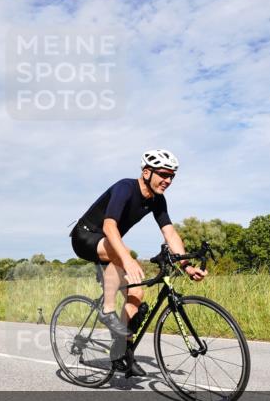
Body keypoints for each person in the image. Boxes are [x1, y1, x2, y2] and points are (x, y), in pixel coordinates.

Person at [70, 149, 206, 376]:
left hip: (110, 245)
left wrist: (186, 266)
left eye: (172, 176)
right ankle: (107, 311)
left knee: (137, 297)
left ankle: (121, 352)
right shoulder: (125, 188)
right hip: (85, 237)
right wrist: (127, 259)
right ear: (146, 172)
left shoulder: (157, 200)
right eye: (163, 174)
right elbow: (109, 227)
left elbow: (170, 233)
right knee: (121, 252)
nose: (168, 180)